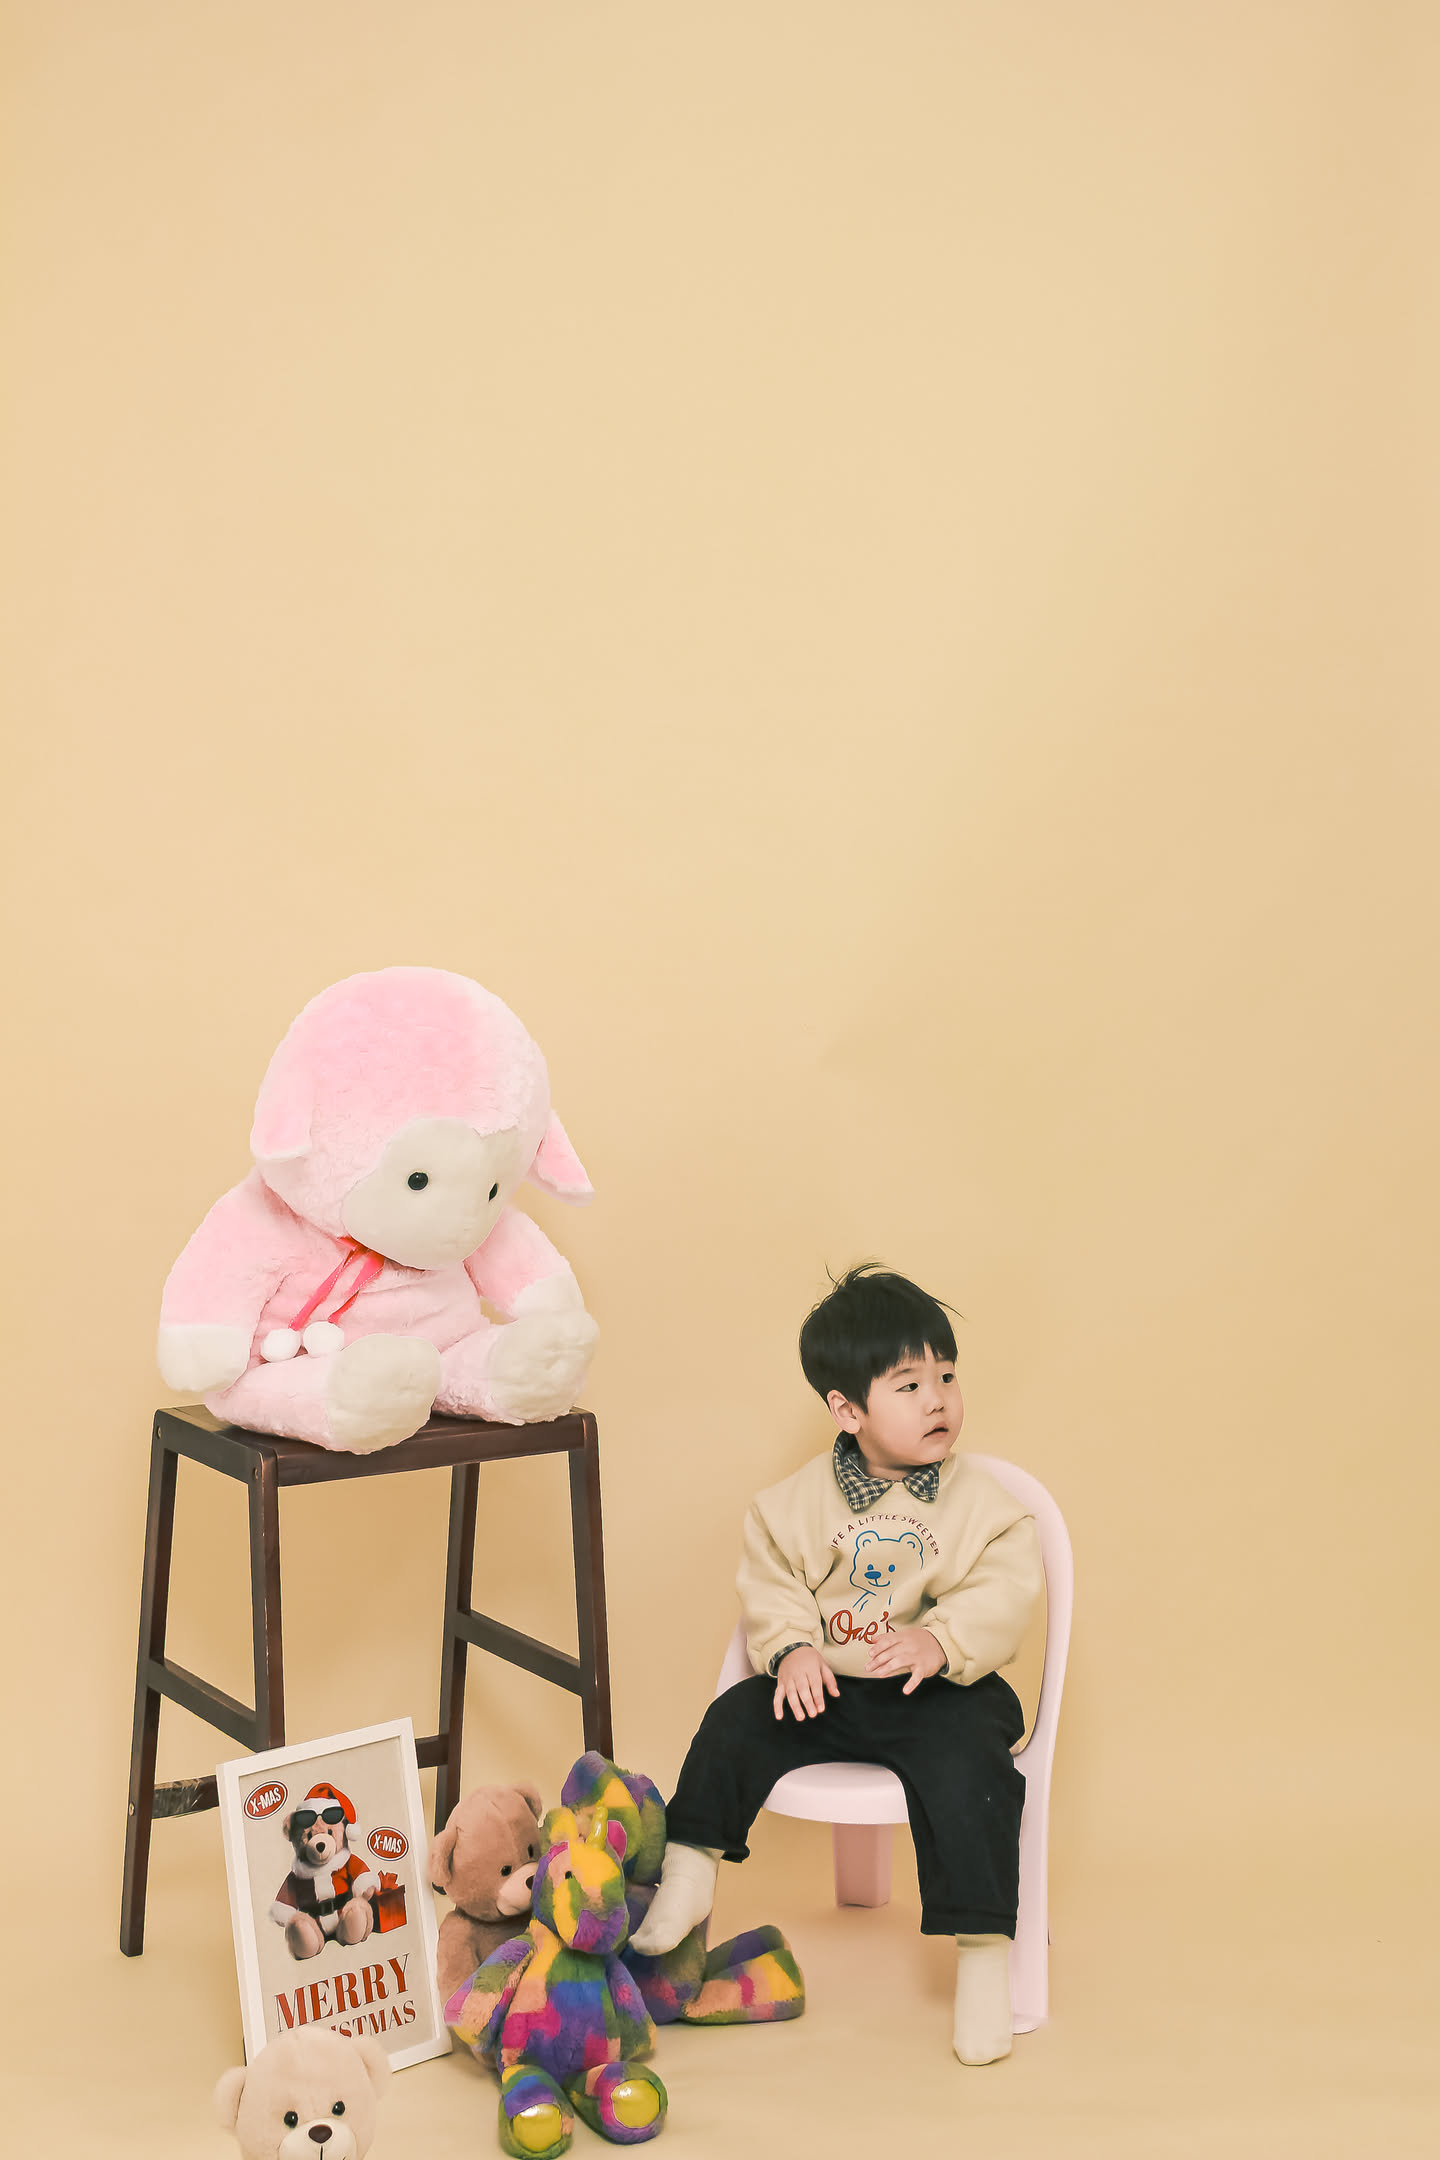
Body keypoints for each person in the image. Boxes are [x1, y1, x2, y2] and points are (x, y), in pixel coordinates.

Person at [630, 1264, 1043, 2064]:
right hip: (836, 1689)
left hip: (942, 1693)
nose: (937, 1400)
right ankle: (689, 1870)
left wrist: (941, 1641)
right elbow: (773, 1586)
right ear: (848, 1410)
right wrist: (790, 1651)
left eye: (947, 1377)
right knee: (735, 1718)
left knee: (975, 1772)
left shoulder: (985, 1506)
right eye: (909, 1385)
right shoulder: (790, 1506)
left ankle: (985, 1957)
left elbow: (1004, 1591)